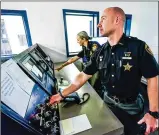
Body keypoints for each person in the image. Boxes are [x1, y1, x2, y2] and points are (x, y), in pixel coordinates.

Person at [50, 7, 159, 135]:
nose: (98, 24)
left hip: (131, 107)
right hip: (108, 102)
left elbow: (153, 78)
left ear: (117, 20)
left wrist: (153, 113)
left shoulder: (138, 47)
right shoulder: (100, 52)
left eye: (103, 19)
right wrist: (62, 94)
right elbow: (83, 76)